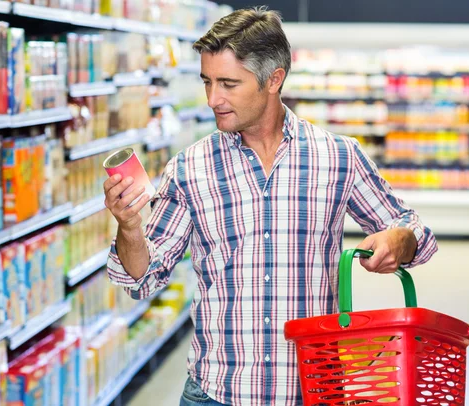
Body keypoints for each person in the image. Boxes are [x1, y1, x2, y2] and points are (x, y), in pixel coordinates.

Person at [103, 6, 438, 406]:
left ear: (273, 79)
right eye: (207, 82)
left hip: (312, 390)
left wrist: (399, 240)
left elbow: (412, 228)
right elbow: (144, 278)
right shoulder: (189, 167)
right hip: (216, 392)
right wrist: (129, 227)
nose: (213, 99)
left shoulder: (338, 156)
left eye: (228, 83)